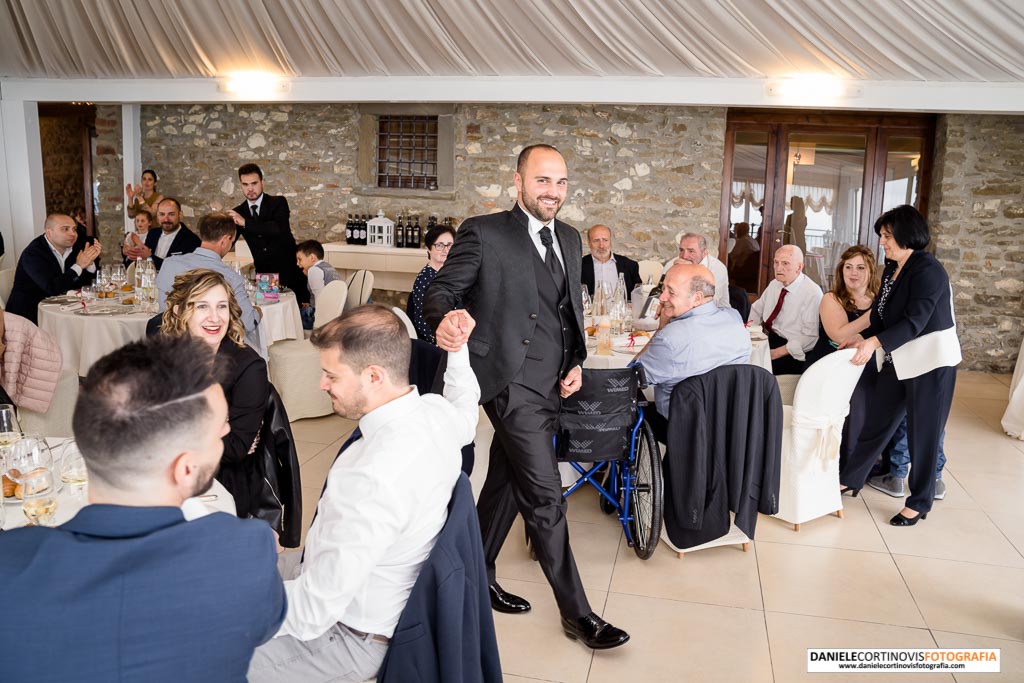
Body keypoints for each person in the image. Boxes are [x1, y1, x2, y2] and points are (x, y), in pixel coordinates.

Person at [423, 144, 630, 650]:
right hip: (508, 382)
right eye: (542, 181)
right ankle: (578, 614)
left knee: (508, 481)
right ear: (517, 181)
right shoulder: (485, 231)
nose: (552, 192)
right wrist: (446, 320)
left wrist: (574, 359)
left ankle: (478, 570)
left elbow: (564, 309)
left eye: (560, 183)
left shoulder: (569, 235)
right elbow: (441, 292)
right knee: (543, 494)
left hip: (552, 381)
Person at [0, 335, 286, 681]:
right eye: (218, 430)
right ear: (184, 469)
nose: (228, 430)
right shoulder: (247, 549)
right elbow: (261, 626)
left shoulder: (11, 562)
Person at [248, 305, 479, 682]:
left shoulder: (375, 475)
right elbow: (466, 407)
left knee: (199, 659)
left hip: (348, 635)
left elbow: (312, 612)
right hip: (333, 580)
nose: (322, 384)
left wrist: (225, 612)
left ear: (373, 376)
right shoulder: (434, 415)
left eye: (330, 374)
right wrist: (457, 350)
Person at [839, 205, 961, 526]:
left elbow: (915, 321)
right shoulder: (893, 267)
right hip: (901, 358)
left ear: (908, 235)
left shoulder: (928, 270)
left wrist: (873, 343)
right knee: (877, 421)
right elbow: (882, 315)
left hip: (932, 363)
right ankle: (851, 479)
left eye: (888, 236)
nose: (883, 242)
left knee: (924, 434)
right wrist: (861, 336)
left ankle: (919, 502)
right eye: (882, 235)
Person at [161, 269, 269, 523]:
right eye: (202, 306)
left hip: (219, 484)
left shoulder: (248, 368)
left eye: (221, 307)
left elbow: (234, 448)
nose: (214, 318)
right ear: (179, 311)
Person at [635, 263, 751, 442]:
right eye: (663, 288)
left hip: (684, 429)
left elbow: (633, 376)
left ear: (697, 298)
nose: (662, 297)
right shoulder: (734, 318)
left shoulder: (670, 339)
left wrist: (662, 327)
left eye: (671, 292)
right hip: (730, 423)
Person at [156, 211, 261, 349]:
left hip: (169, 345)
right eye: (232, 241)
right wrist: (258, 311)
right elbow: (248, 323)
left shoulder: (169, 263)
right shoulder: (230, 278)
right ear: (224, 240)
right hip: (214, 350)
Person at [227, 163, 310, 304]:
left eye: (254, 183)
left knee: (297, 318)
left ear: (262, 182)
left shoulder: (278, 202)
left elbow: (278, 228)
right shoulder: (238, 212)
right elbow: (228, 242)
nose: (250, 189)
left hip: (291, 272)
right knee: (270, 313)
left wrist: (245, 223)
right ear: (241, 185)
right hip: (265, 277)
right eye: (245, 184)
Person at [6, 213, 102, 324]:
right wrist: (79, 266)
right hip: (29, 315)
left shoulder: (75, 248)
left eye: (74, 229)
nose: (73, 234)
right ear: (49, 232)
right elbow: (52, 288)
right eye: (65, 229)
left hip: (63, 309)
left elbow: (83, 285)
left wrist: (89, 263)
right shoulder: (33, 253)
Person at [748, 245, 822, 375]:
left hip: (794, 351)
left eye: (785, 263)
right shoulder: (775, 284)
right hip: (771, 339)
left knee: (757, 374)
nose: (778, 268)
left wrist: (775, 353)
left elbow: (810, 337)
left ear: (799, 267)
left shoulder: (812, 293)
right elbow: (756, 310)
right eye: (776, 262)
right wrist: (750, 334)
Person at [805, 245, 877, 365]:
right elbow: (840, 337)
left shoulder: (878, 299)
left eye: (860, 268)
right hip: (828, 364)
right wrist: (876, 312)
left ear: (871, 271)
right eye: (848, 267)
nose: (853, 273)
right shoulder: (831, 298)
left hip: (865, 364)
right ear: (842, 270)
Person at [406, 222, 456, 343]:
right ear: (428, 248)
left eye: (449, 245)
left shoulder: (449, 273)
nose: (445, 250)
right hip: (434, 339)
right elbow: (426, 323)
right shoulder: (425, 280)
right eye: (439, 245)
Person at [663, 232, 730, 309]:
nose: (684, 256)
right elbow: (661, 294)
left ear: (704, 252)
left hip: (714, 314)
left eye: (691, 251)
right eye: (681, 250)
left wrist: (688, 269)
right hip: (679, 311)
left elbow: (709, 303)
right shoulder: (672, 264)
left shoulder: (717, 268)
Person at [135, 197, 201, 270]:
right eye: (162, 214)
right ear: (157, 216)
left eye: (171, 214)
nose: (166, 219)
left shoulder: (192, 240)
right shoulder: (152, 233)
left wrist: (150, 257)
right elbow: (142, 261)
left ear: (180, 215)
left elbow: (182, 269)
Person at [580, 224, 641, 296]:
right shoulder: (579, 266)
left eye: (605, 240)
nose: (601, 246)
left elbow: (638, 294)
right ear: (589, 243)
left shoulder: (630, 265)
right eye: (596, 241)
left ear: (610, 241)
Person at [296, 239, 342, 330]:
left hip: (326, 318)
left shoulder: (314, 270)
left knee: (292, 316)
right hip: (336, 313)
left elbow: (320, 300)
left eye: (300, 259)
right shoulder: (327, 267)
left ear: (312, 257)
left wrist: (318, 326)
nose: (297, 264)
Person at [728, 221, 760, 293]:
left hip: (743, 270)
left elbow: (733, 255)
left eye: (737, 230)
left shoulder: (743, 241)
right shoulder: (753, 241)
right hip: (754, 272)